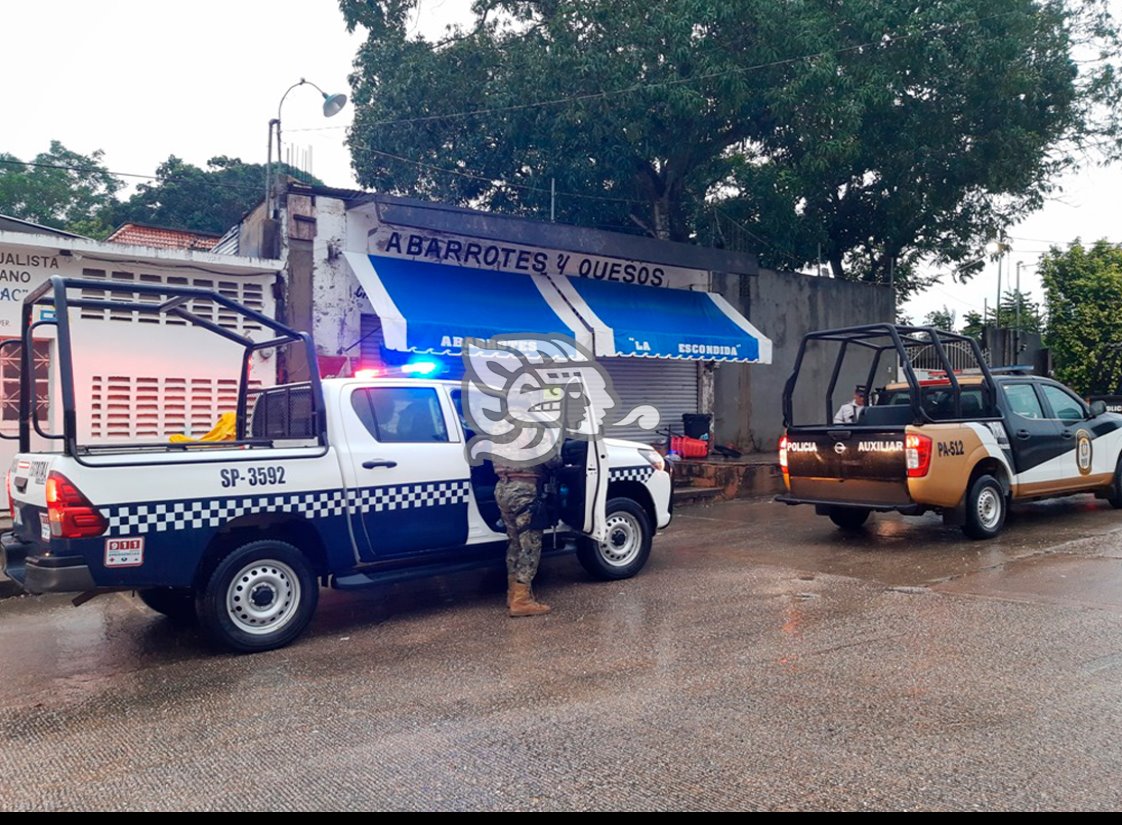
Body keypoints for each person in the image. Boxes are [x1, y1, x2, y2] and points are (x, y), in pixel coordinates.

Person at [494, 452, 562, 617]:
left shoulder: (499, 428)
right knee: (530, 543)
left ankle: (513, 594)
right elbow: (551, 458)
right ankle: (522, 600)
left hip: (503, 488)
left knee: (514, 542)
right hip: (523, 489)